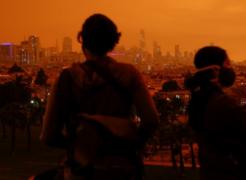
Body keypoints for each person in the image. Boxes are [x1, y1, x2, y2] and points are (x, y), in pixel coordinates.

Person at [40, 14, 159, 179]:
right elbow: (151, 120)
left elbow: (49, 136)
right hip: (122, 168)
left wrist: (80, 145)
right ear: (113, 43)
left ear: (82, 41)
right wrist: (128, 144)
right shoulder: (129, 74)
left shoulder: (67, 77)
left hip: (82, 170)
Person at [185, 46, 246, 180]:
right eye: (228, 64)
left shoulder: (199, 100)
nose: (231, 68)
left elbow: (233, 120)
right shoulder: (221, 102)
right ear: (215, 70)